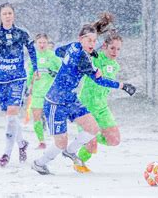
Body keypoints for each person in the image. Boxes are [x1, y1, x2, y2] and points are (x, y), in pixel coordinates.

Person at [31, 23, 136, 175]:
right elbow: (99, 80)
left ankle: (71, 152)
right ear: (81, 39)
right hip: (55, 102)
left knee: (92, 128)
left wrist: (68, 64)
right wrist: (122, 85)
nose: (93, 44)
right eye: (89, 41)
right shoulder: (83, 58)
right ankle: (39, 163)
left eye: (94, 41)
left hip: (71, 99)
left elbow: (59, 51)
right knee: (60, 143)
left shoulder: (73, 46)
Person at [0, 2, 38, 167]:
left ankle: (6, 154)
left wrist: (36, 69)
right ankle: (21, 143)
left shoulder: (22, 33)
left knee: (12, 115)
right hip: (0, 80)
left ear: (14, 15)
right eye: (4, 13)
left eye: (10, 13)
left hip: (18, 78)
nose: (7, 16)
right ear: (0, 16)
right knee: (10, 118)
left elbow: (32, 50)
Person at [74, 31, 124, 173]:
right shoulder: (95, 58)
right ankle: (79, 160)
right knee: (92, 146)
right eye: (112, 48)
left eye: (118, 49)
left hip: (102, 107)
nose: (115, 52)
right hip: (85, 107)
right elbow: (86, 52)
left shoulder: (115, 66)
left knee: (114, 140)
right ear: (104, 47)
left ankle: (91, 136)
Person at [26, 33, 62, 150]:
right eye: (39, 43)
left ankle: (58, 141)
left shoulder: (53, 56)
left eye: (44, 43)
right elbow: (29, 74)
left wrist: (54, 73)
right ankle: (42, 142)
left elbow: (62, 71)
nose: (42, 45)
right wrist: (27, 87)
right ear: (36, 44)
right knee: (36, 118)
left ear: (47, 43)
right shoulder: (33, 57)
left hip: (50, 93)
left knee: (51, 118)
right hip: (37, 93)